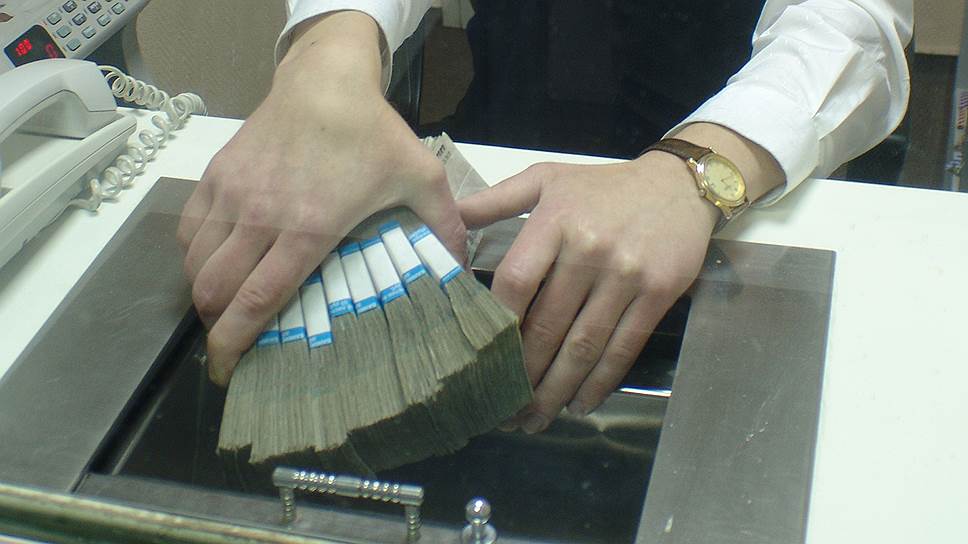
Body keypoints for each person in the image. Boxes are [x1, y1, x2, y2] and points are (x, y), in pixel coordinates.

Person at [177, 0, 912, 434]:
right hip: (505, 153)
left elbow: (850, 18)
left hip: (734, 188)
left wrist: (695, 170)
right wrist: (326, 60)